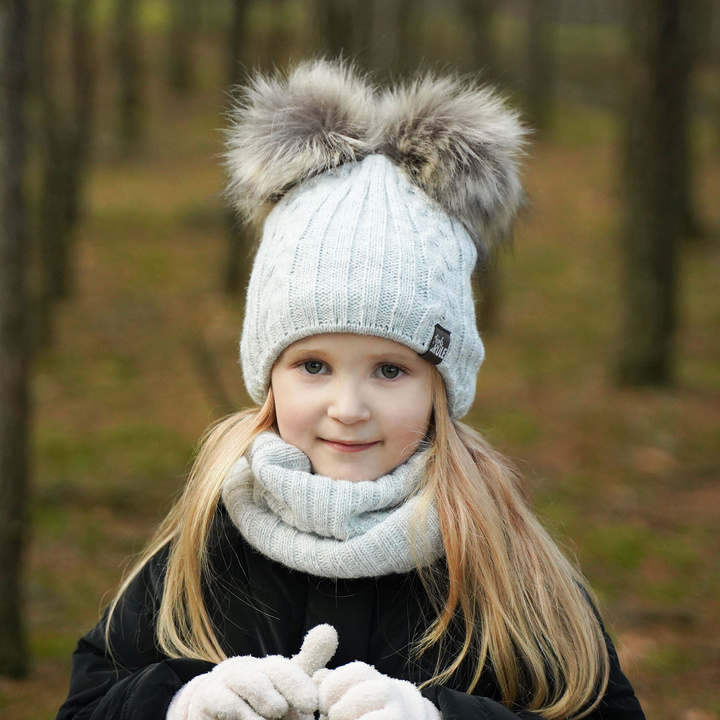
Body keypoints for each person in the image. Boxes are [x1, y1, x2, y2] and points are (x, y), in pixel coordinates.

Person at [56, 60, 645, 720]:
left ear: (440, 387)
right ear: (268, 374)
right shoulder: (202, 550)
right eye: (313, 366)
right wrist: (179, 703)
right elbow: (87, 704)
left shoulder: (508, 568)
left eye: (390, 371)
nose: (348, 407)